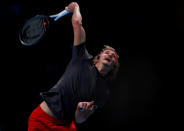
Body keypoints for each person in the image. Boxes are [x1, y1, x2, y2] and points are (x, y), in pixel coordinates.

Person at [28, 2, 120, 131]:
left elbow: (79, 119)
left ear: (114, 66)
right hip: (41, 120)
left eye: (114, 56)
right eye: (107, 52)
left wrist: (81, 110)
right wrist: (76, 7)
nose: (110, 54)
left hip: (65, 126)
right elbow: (77, 24)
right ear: (99, 56)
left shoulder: (103, 92)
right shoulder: (81, 57)